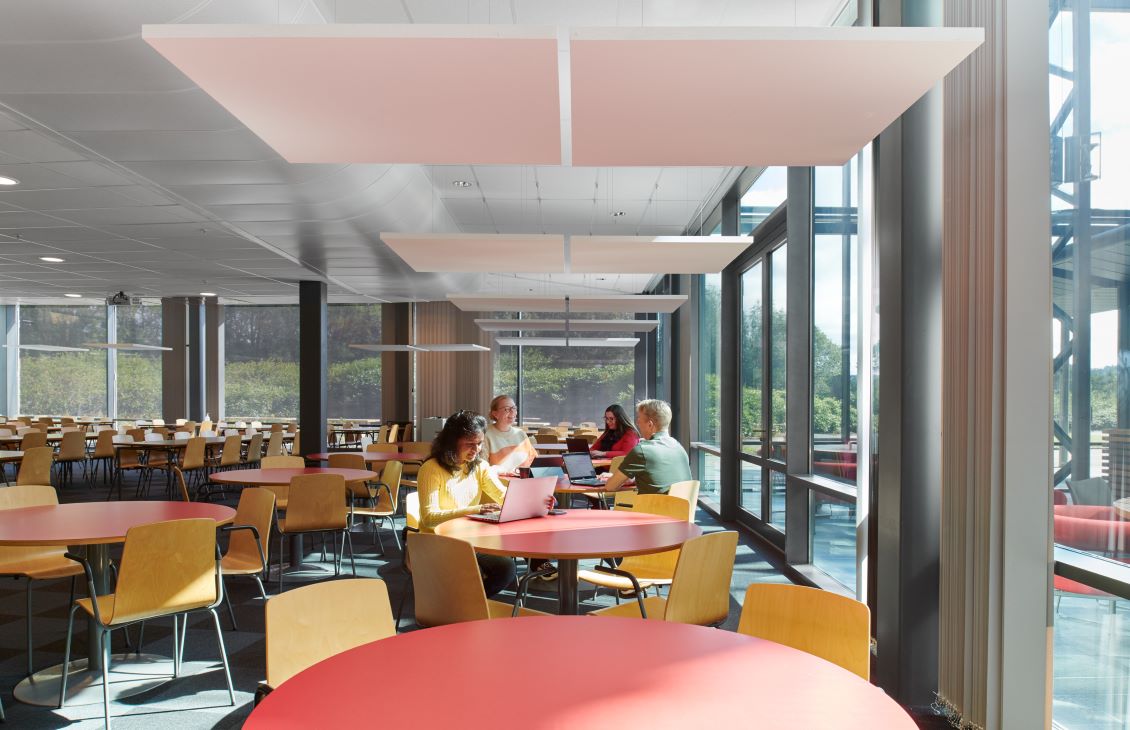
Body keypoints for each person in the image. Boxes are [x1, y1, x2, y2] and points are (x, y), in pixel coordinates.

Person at [415, 410, 516, 596]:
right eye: (470, 444)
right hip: (438, 541)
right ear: (451, 442)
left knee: (507, 567)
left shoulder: (479, 466)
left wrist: (535, 501)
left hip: (469, 539)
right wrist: (475, 510)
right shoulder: (431, 469)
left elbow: (502, 495)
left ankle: (465, 604)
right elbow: (429, 519)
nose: (476, 450)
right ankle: (463, 604)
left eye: (479, 444)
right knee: (500, 568)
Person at [601, 399, 691, 495]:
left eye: (639, 418)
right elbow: (662, 480)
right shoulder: (678, 447)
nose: (637, 423)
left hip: (651, 508)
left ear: (650, 424)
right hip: (681, 508)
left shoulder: (642, 451)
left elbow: (610, 487)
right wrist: (632, 479)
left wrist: (614, 479)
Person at [482, 394, 537, 474]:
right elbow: (482, 468)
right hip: (499, 483)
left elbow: (533, 461)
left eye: (514, 408)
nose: (512, 412)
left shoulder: (521, 434)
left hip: (524, 481)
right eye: (506, 409)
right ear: (495, 414)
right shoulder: (485, 434)